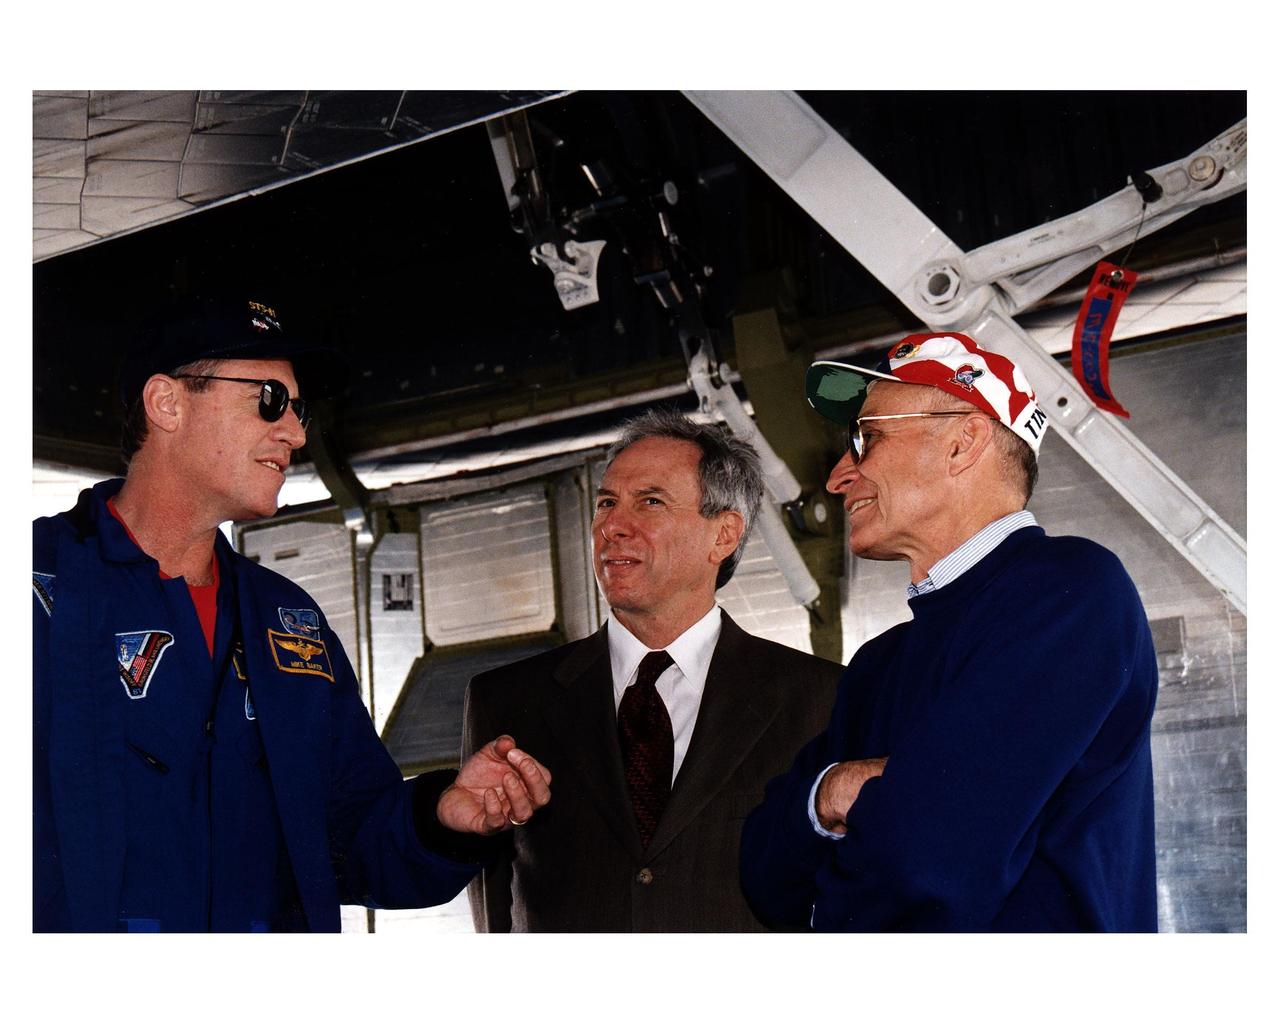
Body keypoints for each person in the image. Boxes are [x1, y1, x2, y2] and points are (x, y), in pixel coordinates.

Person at [32, 295, 551, 932]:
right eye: (270, 400)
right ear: (167, 403)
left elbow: (348, 834)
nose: (297, 434)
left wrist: (442, 815)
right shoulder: (35, 587)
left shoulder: (287, 619)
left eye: (298, 410)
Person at [740, 331, 1159, 932]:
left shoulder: (1070, 592)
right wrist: (834, 789)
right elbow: (762, 874)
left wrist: (832, 875)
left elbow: (931, 862)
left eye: (865, 438)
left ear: (963, 443)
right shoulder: (878, 664)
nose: (836, 478)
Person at [463, 409, 842, 931]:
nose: (612, 527)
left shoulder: (821, 700)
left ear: (723, 535)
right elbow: (493, 909)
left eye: (651, 502)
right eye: (606, 503)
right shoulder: (506, 701)